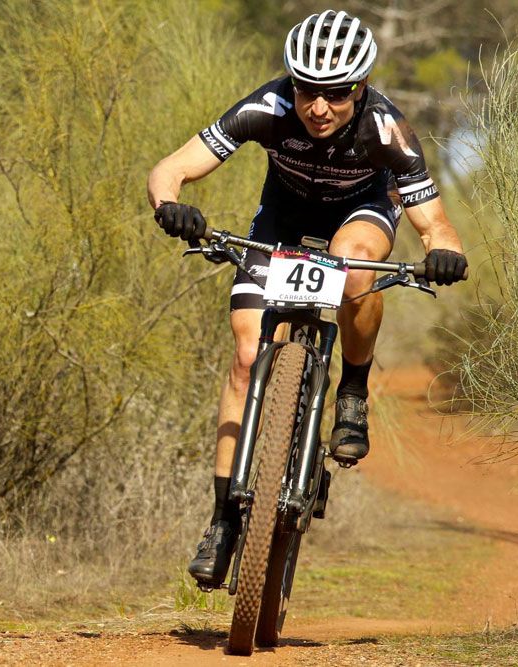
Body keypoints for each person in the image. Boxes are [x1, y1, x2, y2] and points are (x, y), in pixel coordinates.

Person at [146, 9, 468, 589]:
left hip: (360, 213)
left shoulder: (386, 129)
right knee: (246, 359)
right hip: (281, 218)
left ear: (361, 87)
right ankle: (222, 523)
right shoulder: (266, 108)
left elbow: (435, 224)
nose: (318, 107)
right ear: (290, 83)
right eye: (306, 91)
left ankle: (350, 391)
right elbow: (172, 167)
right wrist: (171, 203)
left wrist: (445, 251)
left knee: (352, 267)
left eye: (337, 94)